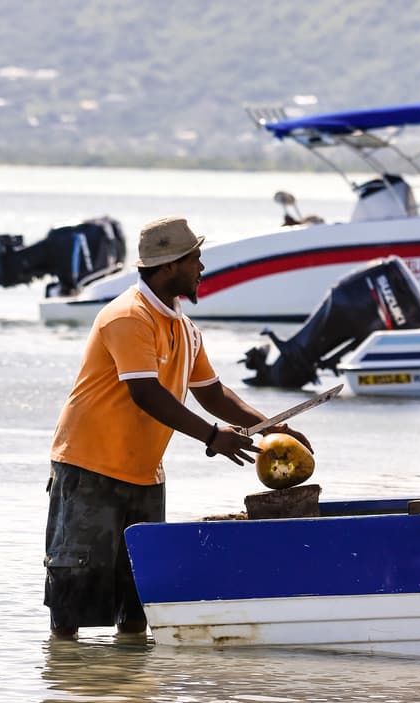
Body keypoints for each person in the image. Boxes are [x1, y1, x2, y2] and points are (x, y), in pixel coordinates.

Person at [45, 216, 313, 640]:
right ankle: (70, 680)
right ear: (169, 265)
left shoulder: (184, 328)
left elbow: (213, 393)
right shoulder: (127, 316)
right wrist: (212, 436)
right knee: (73, 599)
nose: (202, 268)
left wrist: (269, 427)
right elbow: (146, 393)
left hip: (145, 474)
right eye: (195, 259)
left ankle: (127, 681)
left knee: (138, 603)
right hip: (89, 468)